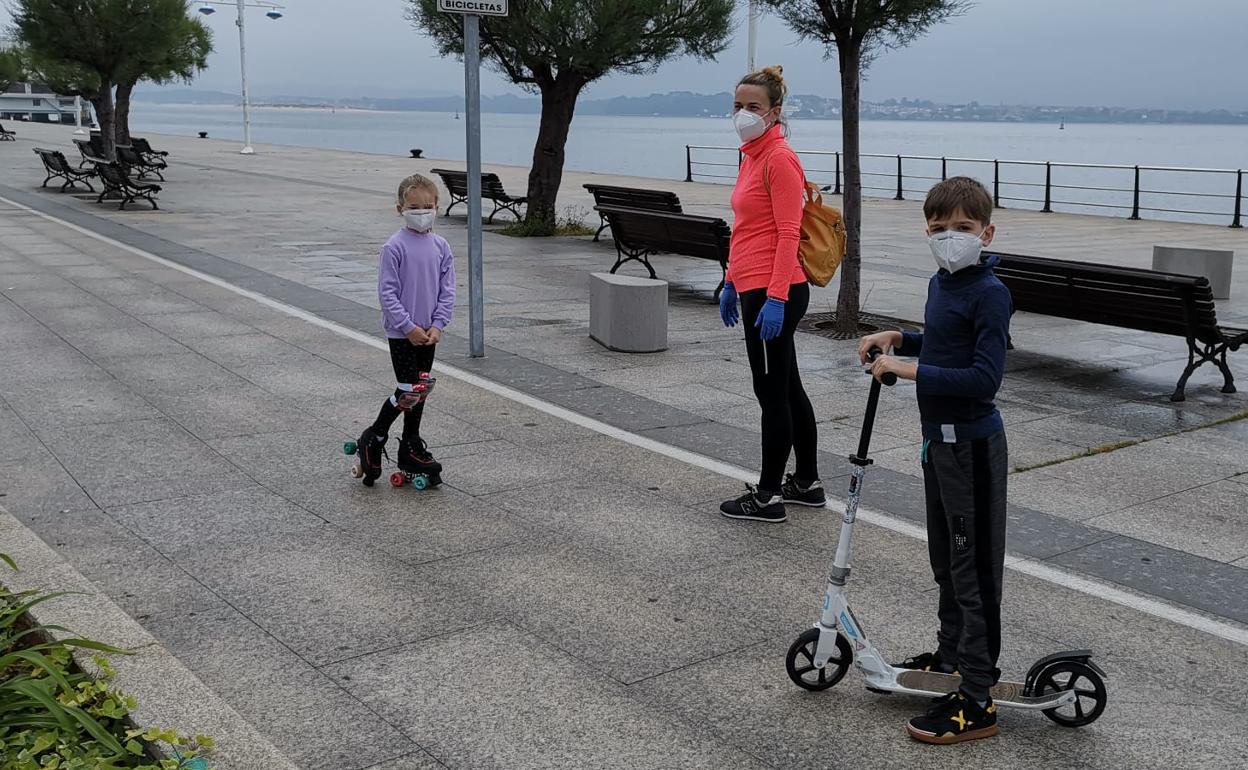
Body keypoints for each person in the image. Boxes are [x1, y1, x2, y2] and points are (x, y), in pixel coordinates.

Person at [858, 176, 1012, 745]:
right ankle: (951, 656)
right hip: (937, 443)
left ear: (986, 232)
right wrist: (900, 338)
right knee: (945, 562)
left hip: (972, 446)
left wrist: (909, 369)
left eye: (964, 229)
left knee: (974, 575)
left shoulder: (991, 292)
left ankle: (977, 696)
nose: (951, 238)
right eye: (940, 228)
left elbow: (984, 377)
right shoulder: (941, 284)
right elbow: (944, 341)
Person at [717, 65, 824, 524]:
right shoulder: (753, 155)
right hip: (753, 284)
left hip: (771, 292)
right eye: (738, 106)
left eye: (753, 107)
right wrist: (729, 281)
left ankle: (767, 497)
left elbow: (787, 232)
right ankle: (806, 483)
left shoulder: (779, 158)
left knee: (771, 393)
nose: (743, 114)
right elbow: (747, 229)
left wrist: (776, 297)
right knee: (788, 385)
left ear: (775, 112)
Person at [354, 173, 456, 486]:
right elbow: (388, 294)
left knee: (421, 390)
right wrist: (408, 327)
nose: (421, 211)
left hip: (429, 333)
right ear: (400, 208)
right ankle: (373, 436)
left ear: (436, 206)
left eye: (427, 206)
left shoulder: (441, 246)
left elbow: (447, 289)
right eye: (414, 206)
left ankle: (411, 443)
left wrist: (438, 324)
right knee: (408, 390)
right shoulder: (394, 247)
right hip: (403, 334)